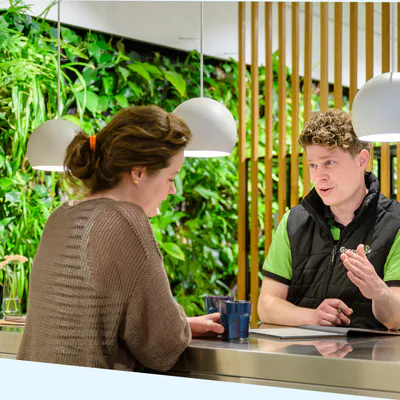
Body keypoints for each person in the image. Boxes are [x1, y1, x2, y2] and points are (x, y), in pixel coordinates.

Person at [18, 105, 224, 371]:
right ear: (138, 172)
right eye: (171, 177)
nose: (172, 190)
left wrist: (182, 323)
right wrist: (179, 328)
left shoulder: (60, 216)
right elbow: (163, 347)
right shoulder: (124, 219)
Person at [258, 109, 400, 331]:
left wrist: (379, 292)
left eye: (329, 163)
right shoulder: (293, 222)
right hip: (299, 352)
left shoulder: (395, 223)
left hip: (370, 352)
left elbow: (395, 319)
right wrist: (313, 317)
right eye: (313, 165)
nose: (318, 176)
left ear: (361, 160)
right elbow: (266, 305)